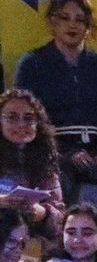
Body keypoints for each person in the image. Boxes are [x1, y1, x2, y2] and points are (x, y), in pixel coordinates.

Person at [15, 0, 97, 202]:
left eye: (80, 19)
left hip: (96, 148)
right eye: (65, 18)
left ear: (88, 26)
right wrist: (67, 153)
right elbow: (27, 120)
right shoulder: (33, 64)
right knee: (57, 174)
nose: (72, 25)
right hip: (52, 148)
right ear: (52, 22)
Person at [0, 89, 67, 240]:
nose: (21, 124)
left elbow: (60, 221)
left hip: (29, 242)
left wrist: (43, 214)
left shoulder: (46, 161)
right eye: (12, 117)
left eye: (29, 118)